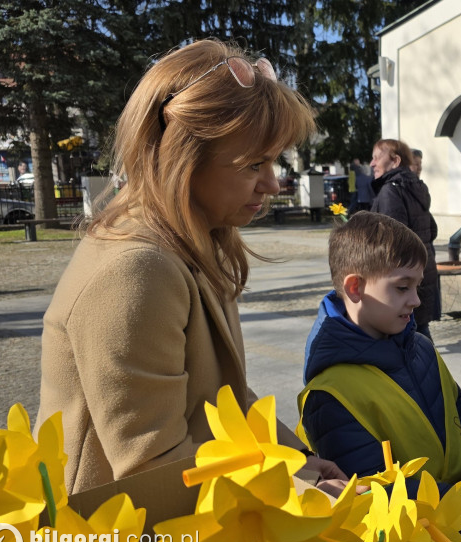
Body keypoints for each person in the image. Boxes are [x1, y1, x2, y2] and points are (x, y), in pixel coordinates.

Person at [35, 39, 347, 496]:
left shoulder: (197, 241)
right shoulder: (136, 271)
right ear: (182, 157)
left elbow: (224, 401)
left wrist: (298, 459)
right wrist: (303, 495)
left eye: (274, 160)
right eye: (252, 164)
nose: (273, 183)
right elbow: (153, 467)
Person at [298, 211, 461, 495]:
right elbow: (372, 489)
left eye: (417, 286)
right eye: (402, 287)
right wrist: (459, 504)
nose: (415, 300)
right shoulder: (329, 395)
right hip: (415, 532)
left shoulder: (421, 347)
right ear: (355, 288)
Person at [369, 138, 440, 341]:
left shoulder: (390, 190)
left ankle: (428, 371)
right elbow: (432, 230)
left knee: (410, 341)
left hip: (401, 281)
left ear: (395, 161)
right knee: (420, 336)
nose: (372, 163)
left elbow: (394, 243)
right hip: (421, 273)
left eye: (376, 158)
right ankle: (431, 370)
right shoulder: (416, 188)